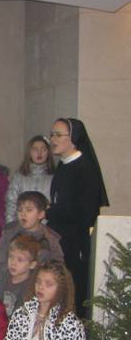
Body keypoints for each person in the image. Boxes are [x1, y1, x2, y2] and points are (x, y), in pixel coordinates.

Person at [46, 117, 109, 317]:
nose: (53, 139)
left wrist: (49, 211)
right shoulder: (64, 164)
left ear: (73, 138)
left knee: (73, 295)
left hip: (76, 243)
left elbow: (84, 211)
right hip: (60, 238)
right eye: (52, 134)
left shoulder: (85, 168)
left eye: (58, 135)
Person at [0, 191, 63, 288]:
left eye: (29, 210)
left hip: (37, 288)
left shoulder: (50, 239)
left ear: (41, 214)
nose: (23, 214)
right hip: (10, 284)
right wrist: (8, 279)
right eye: (20, 210)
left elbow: (57, 267)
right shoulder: (9, 233)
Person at [5, 136, 54, 223]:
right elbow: (11, 205)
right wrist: (11, 227)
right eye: (35, 149)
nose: (39, 153)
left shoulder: (55, 177)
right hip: (22, 226)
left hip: (47, 227)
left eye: (43, 149)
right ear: (29, 152)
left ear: (48, 152)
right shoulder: (19, 177)